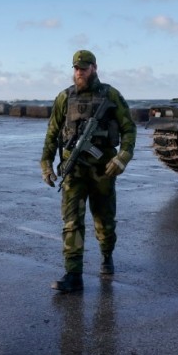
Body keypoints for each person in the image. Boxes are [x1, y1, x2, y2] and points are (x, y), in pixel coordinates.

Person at [40, 50, 137, 293]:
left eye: (84, 68)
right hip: (73, 171)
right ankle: (73, 274)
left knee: (104, 221)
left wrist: (122, 157)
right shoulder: (65, 97)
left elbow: (129, 129)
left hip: (103, 170)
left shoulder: (110, 95)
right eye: (76, 68)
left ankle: (106, 255)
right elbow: (52, 133)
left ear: (94, 67)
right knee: (71, 221)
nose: (79, 72)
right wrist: (46, 164)